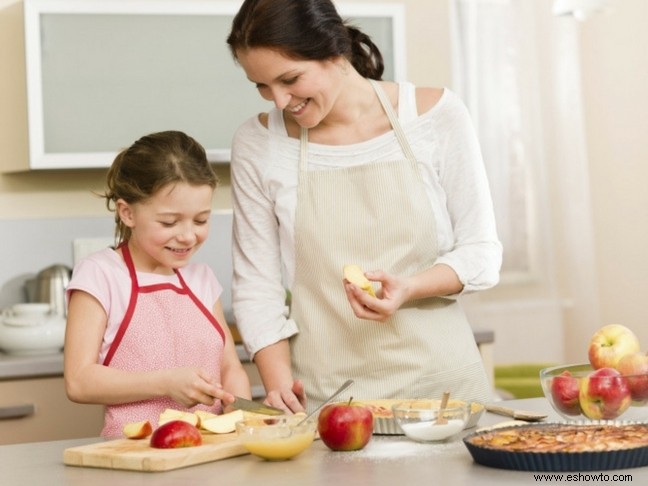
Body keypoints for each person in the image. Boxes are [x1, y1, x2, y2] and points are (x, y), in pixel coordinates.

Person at [226, 0, 503, 413]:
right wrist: (279, 386)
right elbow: (256, 287)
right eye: (263, 86)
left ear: (336, 53)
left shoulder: (435, 116)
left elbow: (482, 253)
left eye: (290, 79)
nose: (280, 101)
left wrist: (409, 287)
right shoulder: (258, 143)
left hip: (444, 394)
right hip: (331, 400)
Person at [64, 130, 250, 437]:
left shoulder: (201, 278)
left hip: (209, 454)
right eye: (169, 222)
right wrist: (165, 383)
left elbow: (229, 367)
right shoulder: (101, 275)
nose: (188, 235)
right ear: (128, 213)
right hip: (134, 460)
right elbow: (79, 380)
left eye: (201, 220)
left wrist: (237, 407)